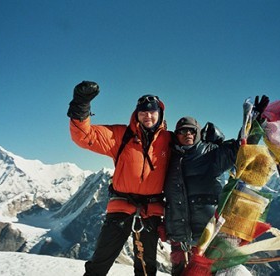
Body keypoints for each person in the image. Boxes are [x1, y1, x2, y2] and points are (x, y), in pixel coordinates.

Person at [67, 80, 171, 276]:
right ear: (136, 114)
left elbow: (190, 152)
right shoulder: (121, 136)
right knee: (100, 263)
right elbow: (85, 136)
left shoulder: (169, 141)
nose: (147, 115)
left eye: (152, 111)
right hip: (121, 208)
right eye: (143, 111)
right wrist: (81, 105)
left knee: (146, 268)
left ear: (160, 113)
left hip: (151, 212)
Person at [163, 96, 269, 275]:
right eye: (182, 131)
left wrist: (255, 123)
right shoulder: (169, 158)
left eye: (191, 130)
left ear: (197, 132)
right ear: (176, 135)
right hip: (180, 237)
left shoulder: (211, 153)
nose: (187, 134)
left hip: (208, 233)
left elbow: (241, 149)